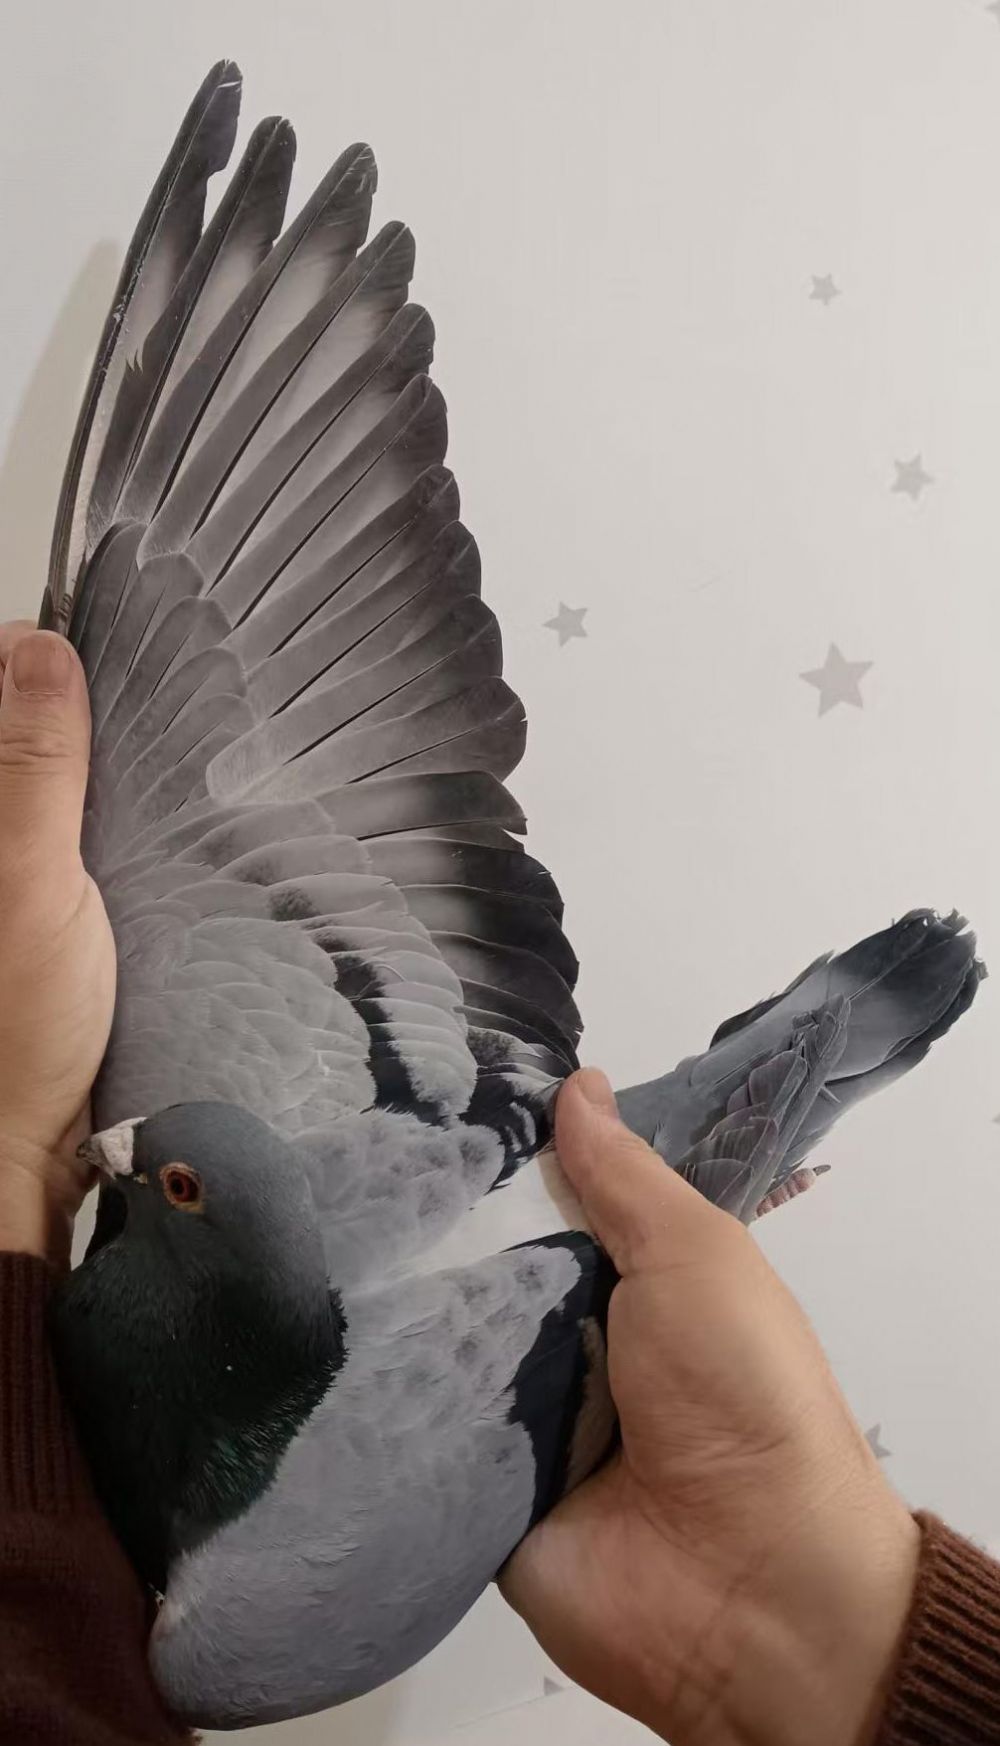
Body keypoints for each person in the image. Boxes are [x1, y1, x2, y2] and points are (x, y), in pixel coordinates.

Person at [0, 621, 997, 1746]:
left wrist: (19, 1149)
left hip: (554, 1243)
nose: (110, 1150)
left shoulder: (235, 1624)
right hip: (536, 1206)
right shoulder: (239, 1578)